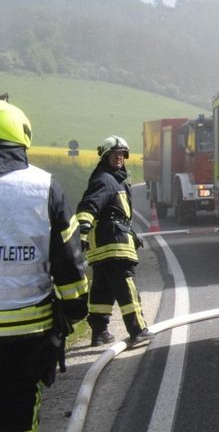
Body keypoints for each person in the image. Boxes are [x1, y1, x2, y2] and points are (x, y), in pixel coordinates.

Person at [0, 100, 89, 432]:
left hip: (29, 335)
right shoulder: (43, 187)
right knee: (20, 412)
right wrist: (76, 308)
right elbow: (68, 260)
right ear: (23, 137)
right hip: (28, 336)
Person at [77, 135, 152, 347]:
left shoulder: (111, 178)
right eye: (115, 154)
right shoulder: (105, 180)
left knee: (101, 288)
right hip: (114, 245)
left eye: (122, 155)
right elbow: (87, 207)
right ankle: (138, 330)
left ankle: (99, 333)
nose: (119, 158)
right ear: (105, 156)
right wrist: (82, 231)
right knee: (126, 286)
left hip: (104, 247)